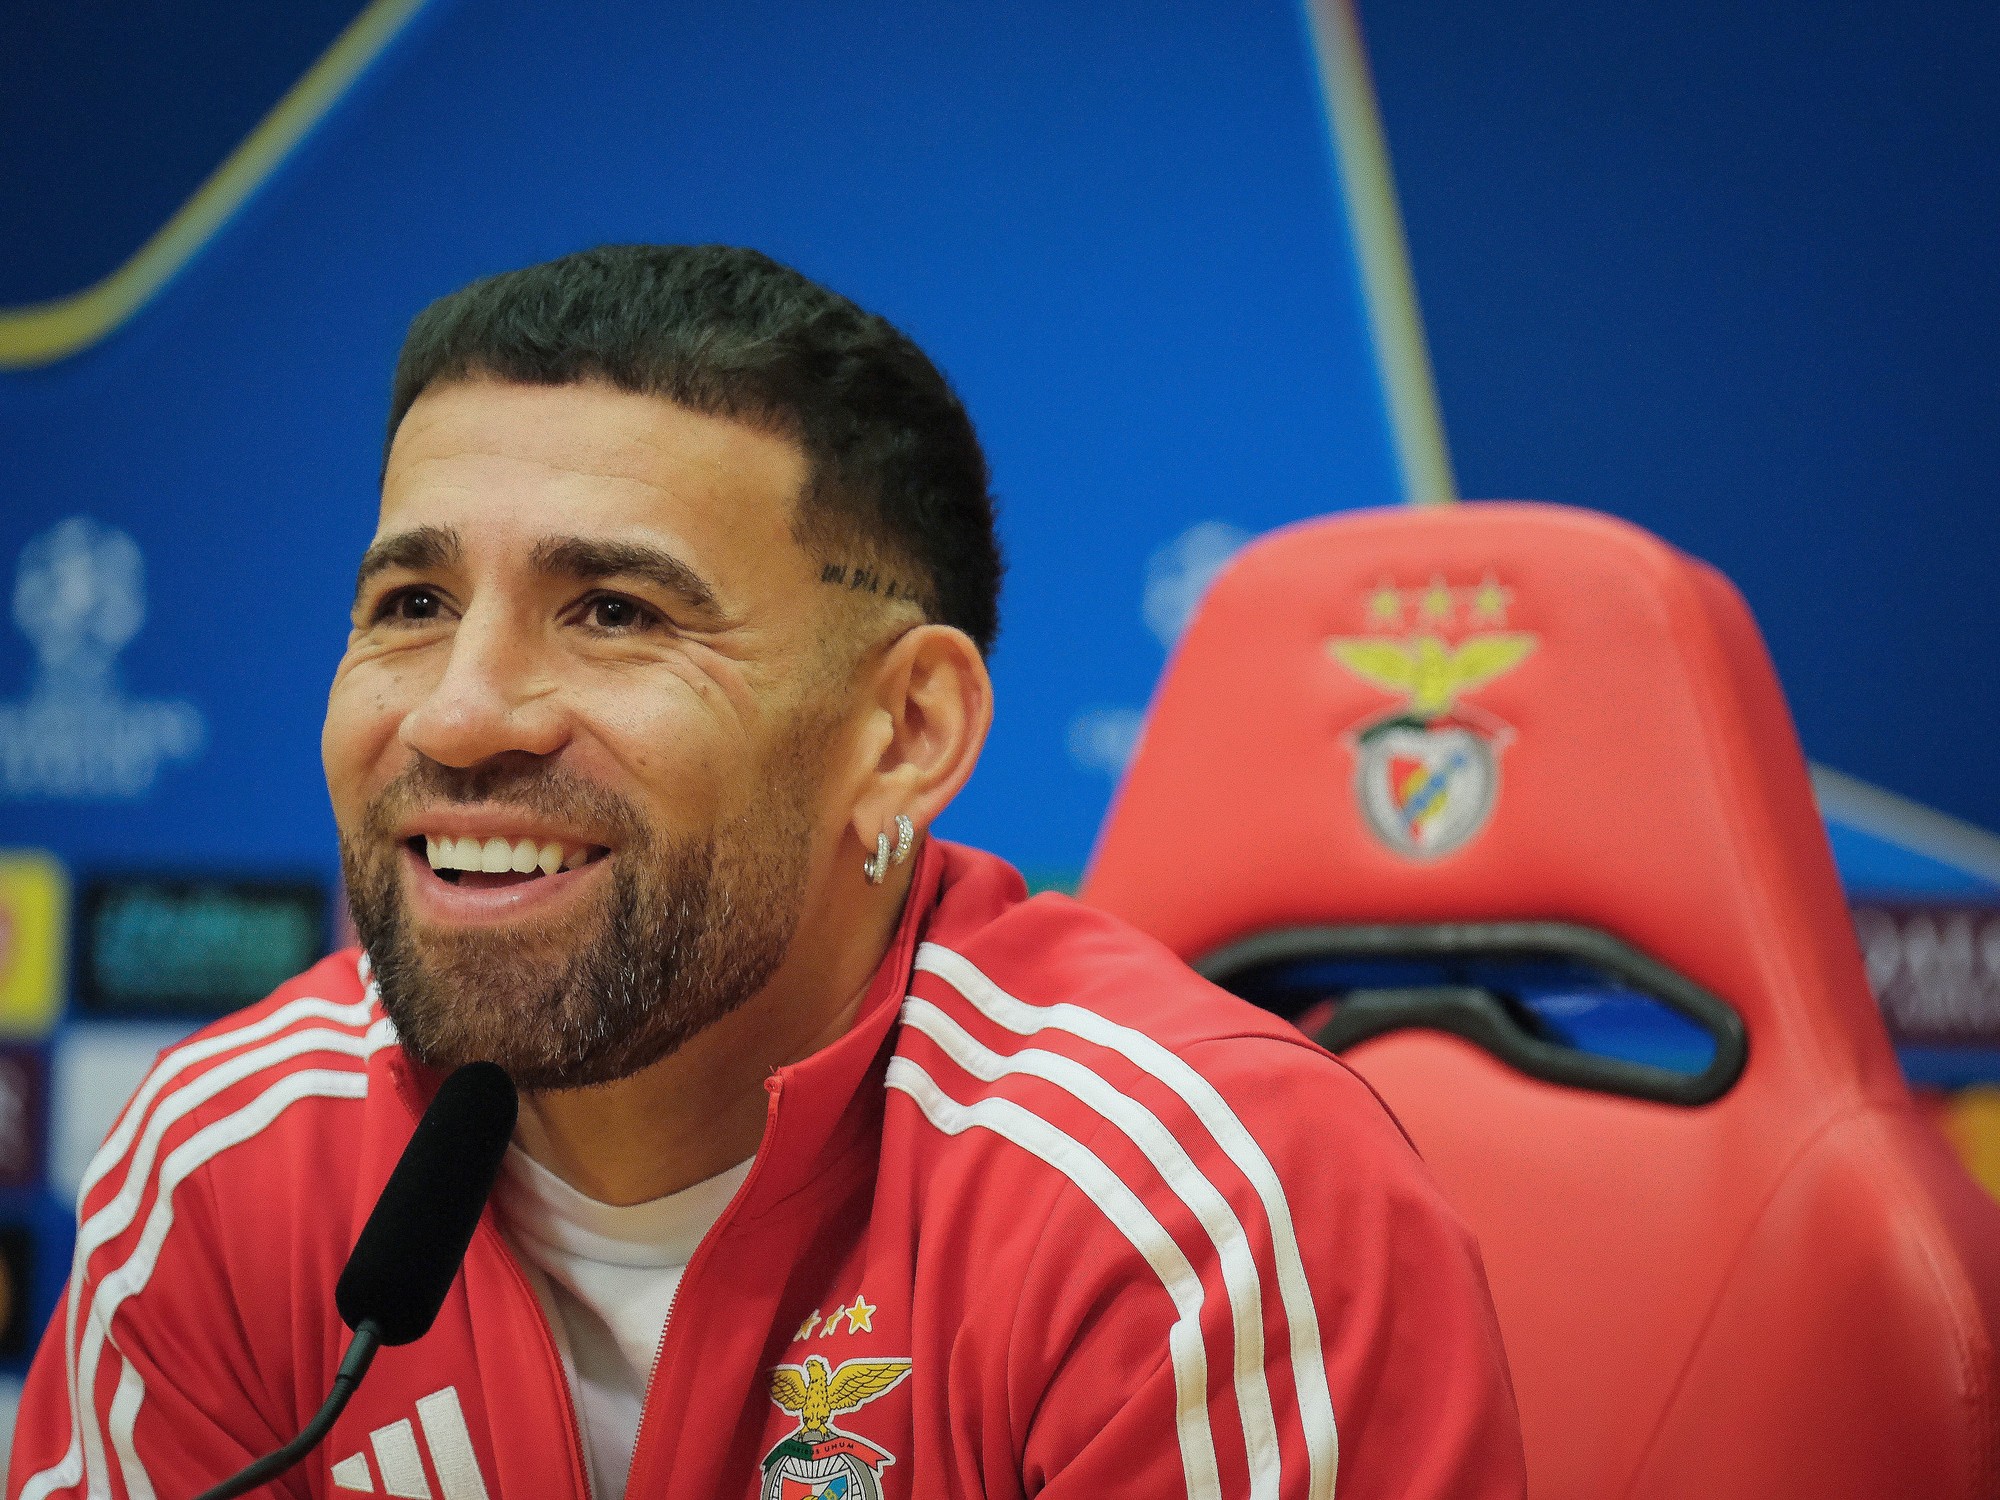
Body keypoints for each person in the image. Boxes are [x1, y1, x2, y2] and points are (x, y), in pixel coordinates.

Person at [8, 245, 1525, 1500]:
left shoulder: (1185, 1221)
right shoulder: (223, 1170)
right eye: (412, 602)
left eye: (614, 611)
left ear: (904, 733)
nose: (459, 715)